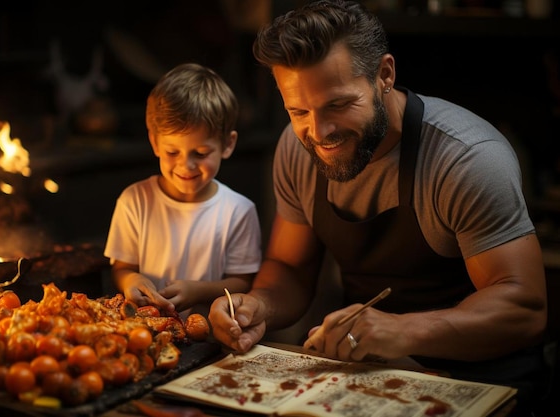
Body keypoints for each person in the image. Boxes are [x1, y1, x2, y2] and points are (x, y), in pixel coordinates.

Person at [208, 0, 548, 412]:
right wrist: (260, 305)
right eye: (298, 110)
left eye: (338, 104)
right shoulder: (297, 150)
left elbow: (524, 309)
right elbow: (291, 268)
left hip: (481, 380)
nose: (319, 132)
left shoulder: (466, 158)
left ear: (384, 75)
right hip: (370, 374)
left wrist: (403, 331)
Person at [104, 62, 262, 318]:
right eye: (172, 152)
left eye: (200, 153)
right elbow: (122, 269)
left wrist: (198, 291)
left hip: (211, 338)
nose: (185, 165)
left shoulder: (238, 211)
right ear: (155, 142)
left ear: (227, 144)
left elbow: (242, 282)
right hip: (148, 331)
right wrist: (131, 282)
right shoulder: (134, 201)